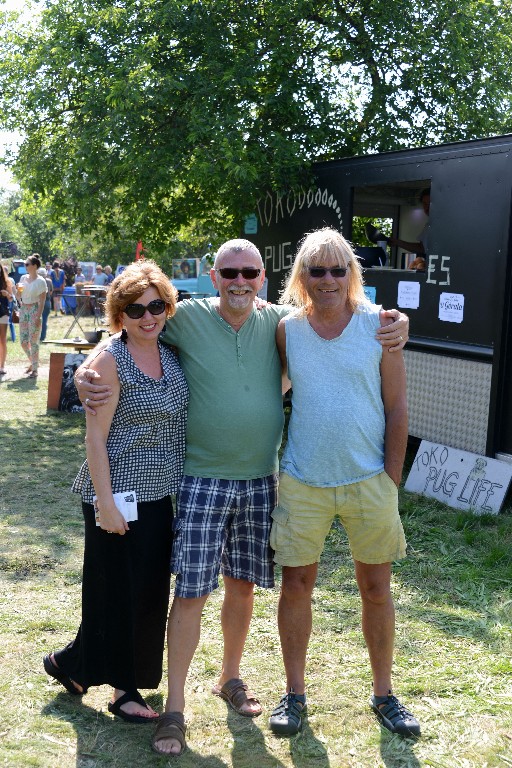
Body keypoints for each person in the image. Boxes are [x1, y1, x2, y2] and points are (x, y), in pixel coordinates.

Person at [75, 239, 409, 757]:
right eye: (229, 272)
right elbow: (127, 332)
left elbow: (374, 362)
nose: (239, 281)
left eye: (249, 273)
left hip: (263, 479)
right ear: (214, 276)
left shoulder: (278, 322)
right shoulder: (187, 318)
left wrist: (399, 324)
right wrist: (85, 369)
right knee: (191, 593)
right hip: (204, 480)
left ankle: (231, 678)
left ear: (263, 277)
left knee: (244, 587)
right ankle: (177, 709)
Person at [268, 228, 420, 739]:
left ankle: (384, 694)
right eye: (317, 270)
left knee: (376, 589)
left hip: (369, 481)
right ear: (302, 277)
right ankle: (294, 695)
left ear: (352, 273)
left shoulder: (380, 326)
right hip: (304, 480)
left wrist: (390, 480)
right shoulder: (288, 330)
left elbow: (397, 407)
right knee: (296, 585)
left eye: (339, 269)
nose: (328, 279)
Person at [43, 260, 189, 723]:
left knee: (144, 590)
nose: (148, 316)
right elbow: (94, 439)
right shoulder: (108, 360)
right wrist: (105, 502)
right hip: (117, 495)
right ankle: (125, 691)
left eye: (157, 306)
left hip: (159, 495)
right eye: (135, 308)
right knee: (118, 591)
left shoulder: (171, 352)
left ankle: (70, 664)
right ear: (118, 314)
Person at [16, 254, 47, 379]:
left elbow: (42, 301)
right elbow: (18, 296)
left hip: (34, 309)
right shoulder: (23, 278)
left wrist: (38, 316)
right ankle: (34, 362)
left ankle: (34, 370)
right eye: (25, 264)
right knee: (23, 342)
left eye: (27, 264)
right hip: (24, 309)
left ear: (34, 266)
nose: (25, 266)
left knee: (33, 341)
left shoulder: (41, 281)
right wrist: (17, 291)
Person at [388, 188, 430, 257]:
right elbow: (421, 249)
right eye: (425, 204)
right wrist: (397, 242)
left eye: (430, 203)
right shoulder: (428, 225)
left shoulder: (447, 224)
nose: (427, 207)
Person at [0, 264, 14, 375]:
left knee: (3, 340)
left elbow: (11, 298)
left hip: (3, 312)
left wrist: (7, 294)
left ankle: (2, 366)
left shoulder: (7, 282)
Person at [37, 267, 53, 342]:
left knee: (37, 320)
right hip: (47, 302)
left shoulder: (37, 281)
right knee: (44, 320)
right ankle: (43, 336)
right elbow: (51, 291)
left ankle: (37, 336)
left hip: (39, 302)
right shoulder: (49, 281)